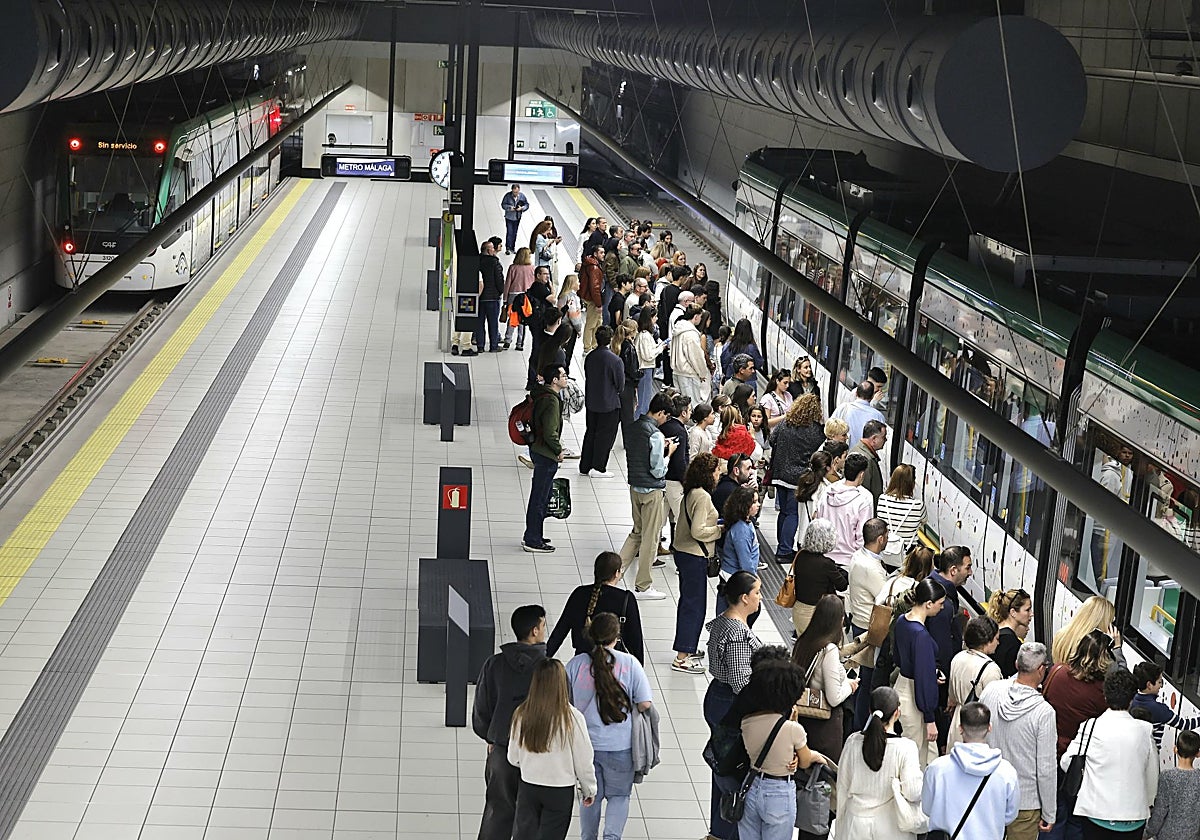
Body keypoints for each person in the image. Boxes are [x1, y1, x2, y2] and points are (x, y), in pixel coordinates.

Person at [565, 613, 653, 840]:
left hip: (585, 746)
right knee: (619, 796)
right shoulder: (630, 664)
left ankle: (588, 837)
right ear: (616, 636)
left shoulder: (575, 665)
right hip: (620, 746)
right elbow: (645, 703)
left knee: (589, 796)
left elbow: (564, 703)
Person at [474, 605, 549, 840]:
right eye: (543, 625)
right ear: (535, 631)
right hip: (539, 754)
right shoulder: (551, 670)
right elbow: (564, 712)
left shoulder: (494, 665)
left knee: (498, 811)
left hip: (502, 750)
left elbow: (481, 709)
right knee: (532, 818)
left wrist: (491, 736)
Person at [1060, 669, 1158, 840]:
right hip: (1134, 817)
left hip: (1096, 813)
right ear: (1131, 700)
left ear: (1105, 697)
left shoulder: (1090, 727)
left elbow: (1066, 762)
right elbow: (1152, 776)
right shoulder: (1145, 730)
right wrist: (1148, 802)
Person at [737, 661, 829, 840]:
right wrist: (815, 756)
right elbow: (805, 761)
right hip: (779, 793)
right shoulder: (793, 729)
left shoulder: (746, 722)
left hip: (751, 786)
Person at [704, 571, 765, 839]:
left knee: (721, 762)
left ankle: (718, 831)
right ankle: (728, 830)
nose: (760, 598)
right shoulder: (738, 634)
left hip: (718, 696)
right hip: (731, 703)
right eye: (757, 593)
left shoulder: (724, 621)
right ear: (744, 598)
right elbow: (741, 682)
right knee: (731, 769)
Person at [508, 659, 597, 840]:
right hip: (560, 790)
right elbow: (583, 760)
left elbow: (513, 757)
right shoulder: (573, 717)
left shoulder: (522, 713)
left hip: (529, 786)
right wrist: (589, 789)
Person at [979, 642, 1059, 840]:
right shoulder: (1044, 712)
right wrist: (1049, 812)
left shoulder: (991, 691)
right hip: (1026, 801)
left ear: (1016, 664)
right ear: (1041, 670)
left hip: (990, 791)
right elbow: (1046, 768)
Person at [922, 703, 1021, 840]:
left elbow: (927, 808)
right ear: (990, 727)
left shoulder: (937, 769)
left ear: (960, 729)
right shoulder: (1006, 772)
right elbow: (1010, 815)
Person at [838, 686, 925, 840]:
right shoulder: (906, 748)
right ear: (897, 713)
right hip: (892, 828)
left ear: (869, 711)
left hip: (855, 824)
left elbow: (842, 789)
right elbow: (913, 792)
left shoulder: (852, 742)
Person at [619, 392, 677, 600]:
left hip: (635, 487)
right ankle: (643, 586)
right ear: (661, 412)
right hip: (652, 491)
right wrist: (668, 453)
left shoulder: (634, 427)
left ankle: (613, 575)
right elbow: (658, 470)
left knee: (636, 533)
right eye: (666, 416)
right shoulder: (656, 435)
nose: (665, 421)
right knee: (650, 538)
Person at [791, 593, 858, 764]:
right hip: (823, 726)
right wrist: (850, 686)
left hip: (803, 716)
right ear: (839, 621)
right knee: (824, 773)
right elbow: (834, 698)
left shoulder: (804, 640)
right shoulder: (829, 650)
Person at [672, 453, 723, 674]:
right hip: (694, 556)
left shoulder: (691, 492)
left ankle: (688, 646)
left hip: (683, 553)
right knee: (694, 606)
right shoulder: (702, 496)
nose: (719, 474)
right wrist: (719, 530)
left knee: (688, 603)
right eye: (717, 470)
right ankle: (682, 657)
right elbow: (698, 531)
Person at [546, 552, 644, 664]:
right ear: (616, 573)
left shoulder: (579, 594)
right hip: (614, 661)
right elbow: (635, 638)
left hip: (582, 658)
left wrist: (544, 658)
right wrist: (639, 666)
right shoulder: (626, 599)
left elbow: (560, 630)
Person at [894, 577, 948, 769]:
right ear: (929, 604)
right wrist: (930, 718)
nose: (942, 607)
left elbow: (899, 658)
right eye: (940, 603)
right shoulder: (921, 635)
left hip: (901, 685)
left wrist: (930, 671)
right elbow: (923, 680)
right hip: (915, 698)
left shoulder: (902, 621)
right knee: (915, 761)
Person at [770, 394, 827, 558]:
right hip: (798, 478)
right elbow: (819, 453)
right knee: (792, 514)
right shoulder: (816, 431)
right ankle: (784, 550)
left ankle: (782, 545)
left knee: (783, 513)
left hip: (779, 473)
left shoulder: (785, 423)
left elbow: (772, 439)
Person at [928, 546, 973, 748]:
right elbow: (943, 648)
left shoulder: (933, 585)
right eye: (967, 567)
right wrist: (949, 690)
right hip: (939, 680)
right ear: (954, 570)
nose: (970, 573)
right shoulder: (943, 604)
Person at [849, 518, 891, 728]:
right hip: (870, 629)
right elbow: (886, 598)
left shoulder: (858, 556)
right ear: (881, 538)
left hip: (859, 621)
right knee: (869, 682)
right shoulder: (870, 568)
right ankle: (861, 727)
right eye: (887, 536)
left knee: (865, 680)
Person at [522, 364, 566, 553]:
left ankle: (534, 533)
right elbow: (549, 431)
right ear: (554, 380)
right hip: (546, 453)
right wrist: (558, 450)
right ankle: (533, 539)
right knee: (539, 498)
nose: (566, 378)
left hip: (537, 449)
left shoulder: (541, 394)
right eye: (563, 375)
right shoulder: (551, 401)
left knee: (540, 495)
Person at [947, 616, 1003, 750]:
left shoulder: (958, 657)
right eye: (996, 638)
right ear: (987, 641)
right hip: (978, 728)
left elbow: (952, 697)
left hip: (958, 721)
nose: (998, 643)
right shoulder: (991, 669)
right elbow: (994, 706)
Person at [814, 452, 875, 568]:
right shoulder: (865, 498)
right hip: (849, 560)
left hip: (824, 555)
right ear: (861, 474)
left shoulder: (828, 491)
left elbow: (818, 519)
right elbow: (862, 535)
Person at [790, 518, 849, 637]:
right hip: (817, 613)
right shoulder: (826, 564)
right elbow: (842, 585)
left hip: (799, 608)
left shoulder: (800, 555)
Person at [580, 326, 624, 478]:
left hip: (592, 401)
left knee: (591, 432)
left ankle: (585, 465)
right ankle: (599, 467)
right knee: (605, 436)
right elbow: (620, 385)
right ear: (610, 339)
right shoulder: (616, 360)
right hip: (609, 403)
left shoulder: (590, 357)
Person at [1130, 661, 1200, 751]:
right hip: (1150, 755)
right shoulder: (1159, 709)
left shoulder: (1130, 700)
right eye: (1159, 682)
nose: (1161, 686)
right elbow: (1185, 725)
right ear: (1149, 685)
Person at [1146, 728, 1200, 840]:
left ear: (1175, 749)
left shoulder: (1167, 777)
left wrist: (1147, 833)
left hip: (1167, 835)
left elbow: (1160, 812)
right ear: (1198, 754)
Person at [717, 486, 762, 620]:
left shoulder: (744, 523)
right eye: (754, 502)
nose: (758, 505)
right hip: (736, 579)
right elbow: (745, 562)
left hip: (733, 578)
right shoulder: (741, 530)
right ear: (744, 505)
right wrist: (755, 581)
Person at [877, 464, 926, 569]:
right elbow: (924, 521)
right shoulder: (917, 505)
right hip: (907, 554)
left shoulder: (882, 499)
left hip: (884, 549)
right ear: (912, 483)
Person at [1051, 595, 1123, 666]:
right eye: (1111, 620)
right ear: (1103, 622)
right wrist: (1116, 647)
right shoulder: (1096, 650)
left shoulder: (1061, 634)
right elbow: (1120, 672)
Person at [986, 589, 1033, 678]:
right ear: (1013, 612)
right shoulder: (1011, 643)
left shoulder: (996, 631)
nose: (1031, 614)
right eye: (1027, 610)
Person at [671, 305, 710, 406]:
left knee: (681, 405)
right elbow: (696, 357)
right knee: (692, 405)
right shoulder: (690, 334)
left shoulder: (678, 329)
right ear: (696, 317)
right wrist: (702, 373)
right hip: (689, 374)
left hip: (677, 371)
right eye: (700, 317)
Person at [472, 238, 505, 354]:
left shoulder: (476, 261)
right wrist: (500, 292)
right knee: (493, 324)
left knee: (479, 323)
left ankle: (480, 346)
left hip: (479, 297)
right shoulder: (495, 262)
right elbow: (499, 280)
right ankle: (493, 346)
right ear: (489, 250)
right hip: (492, 297)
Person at [833, 381, 887, 446]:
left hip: (843, 450)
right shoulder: (878, 416)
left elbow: (830, 428)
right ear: (872, 396)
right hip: (865, 452)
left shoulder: (843, 408)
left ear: (856, 393)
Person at [503, 247, 535, 350]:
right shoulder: (532, 268)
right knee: (523, 319)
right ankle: (520, 343)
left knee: (512, 317)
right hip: (526, 296)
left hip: (513, 294)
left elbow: (508, 283)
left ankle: (507, 340)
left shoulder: (513, 267)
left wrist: (505, 299)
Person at [633, 307, 663, 418]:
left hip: (646, 368)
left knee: (644, 399)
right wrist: (660, 349)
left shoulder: (644, 334)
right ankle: (639, 422)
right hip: (645, 369)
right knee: (644, 402)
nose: (656, 319)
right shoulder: (645, 335)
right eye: (655, 317)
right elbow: (648, 355)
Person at [614, 319, 640, 445]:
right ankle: (629, 442)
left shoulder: (617, 344)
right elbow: (632, 370)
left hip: (618, 384)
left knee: (618, 416)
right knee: (628, 416)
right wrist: (640, 374)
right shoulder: (629, 347)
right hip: (628, 385)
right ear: (632, 332)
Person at [851, 419, 888, 507]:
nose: (886, 440)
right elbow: (865, 490)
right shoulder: (867, 460)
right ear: (874, 439)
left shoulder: (857, 449)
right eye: (883, 437)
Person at [580, 244, 605, 354]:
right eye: (601, 253)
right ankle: (587, 347)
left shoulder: (590, 264)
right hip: (593, 299)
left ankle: (594, 345)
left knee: (597, 323)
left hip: (590, 297)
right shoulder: (594, 267)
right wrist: (598, 304)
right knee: (591, 324)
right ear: (595, 254)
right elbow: (595, 287)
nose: (603, 255)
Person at [501, 184, 529, 254]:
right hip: (509, 217)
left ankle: (512, 247)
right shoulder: (507, 196)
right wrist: (510, 208)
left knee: (514, 233)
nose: (515, 194)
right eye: (514, 192)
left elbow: (526, 205)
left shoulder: (522, 196)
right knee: (509, 232)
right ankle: (508, 247)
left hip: (517, 217)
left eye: (516, 192)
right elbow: (503, 205)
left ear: (519, 190)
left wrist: (521, 208)